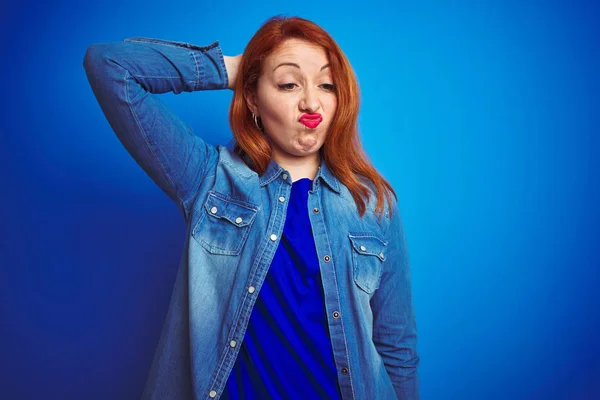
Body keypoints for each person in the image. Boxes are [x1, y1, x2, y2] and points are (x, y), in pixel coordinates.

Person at [83, 15, 419, 400]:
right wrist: (236, 69)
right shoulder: (207, 179)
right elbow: (108, 65)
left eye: (327, 84)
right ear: (254, 100)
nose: (311, 101)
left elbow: (397, 349)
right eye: (289, 83)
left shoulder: (373, 204)